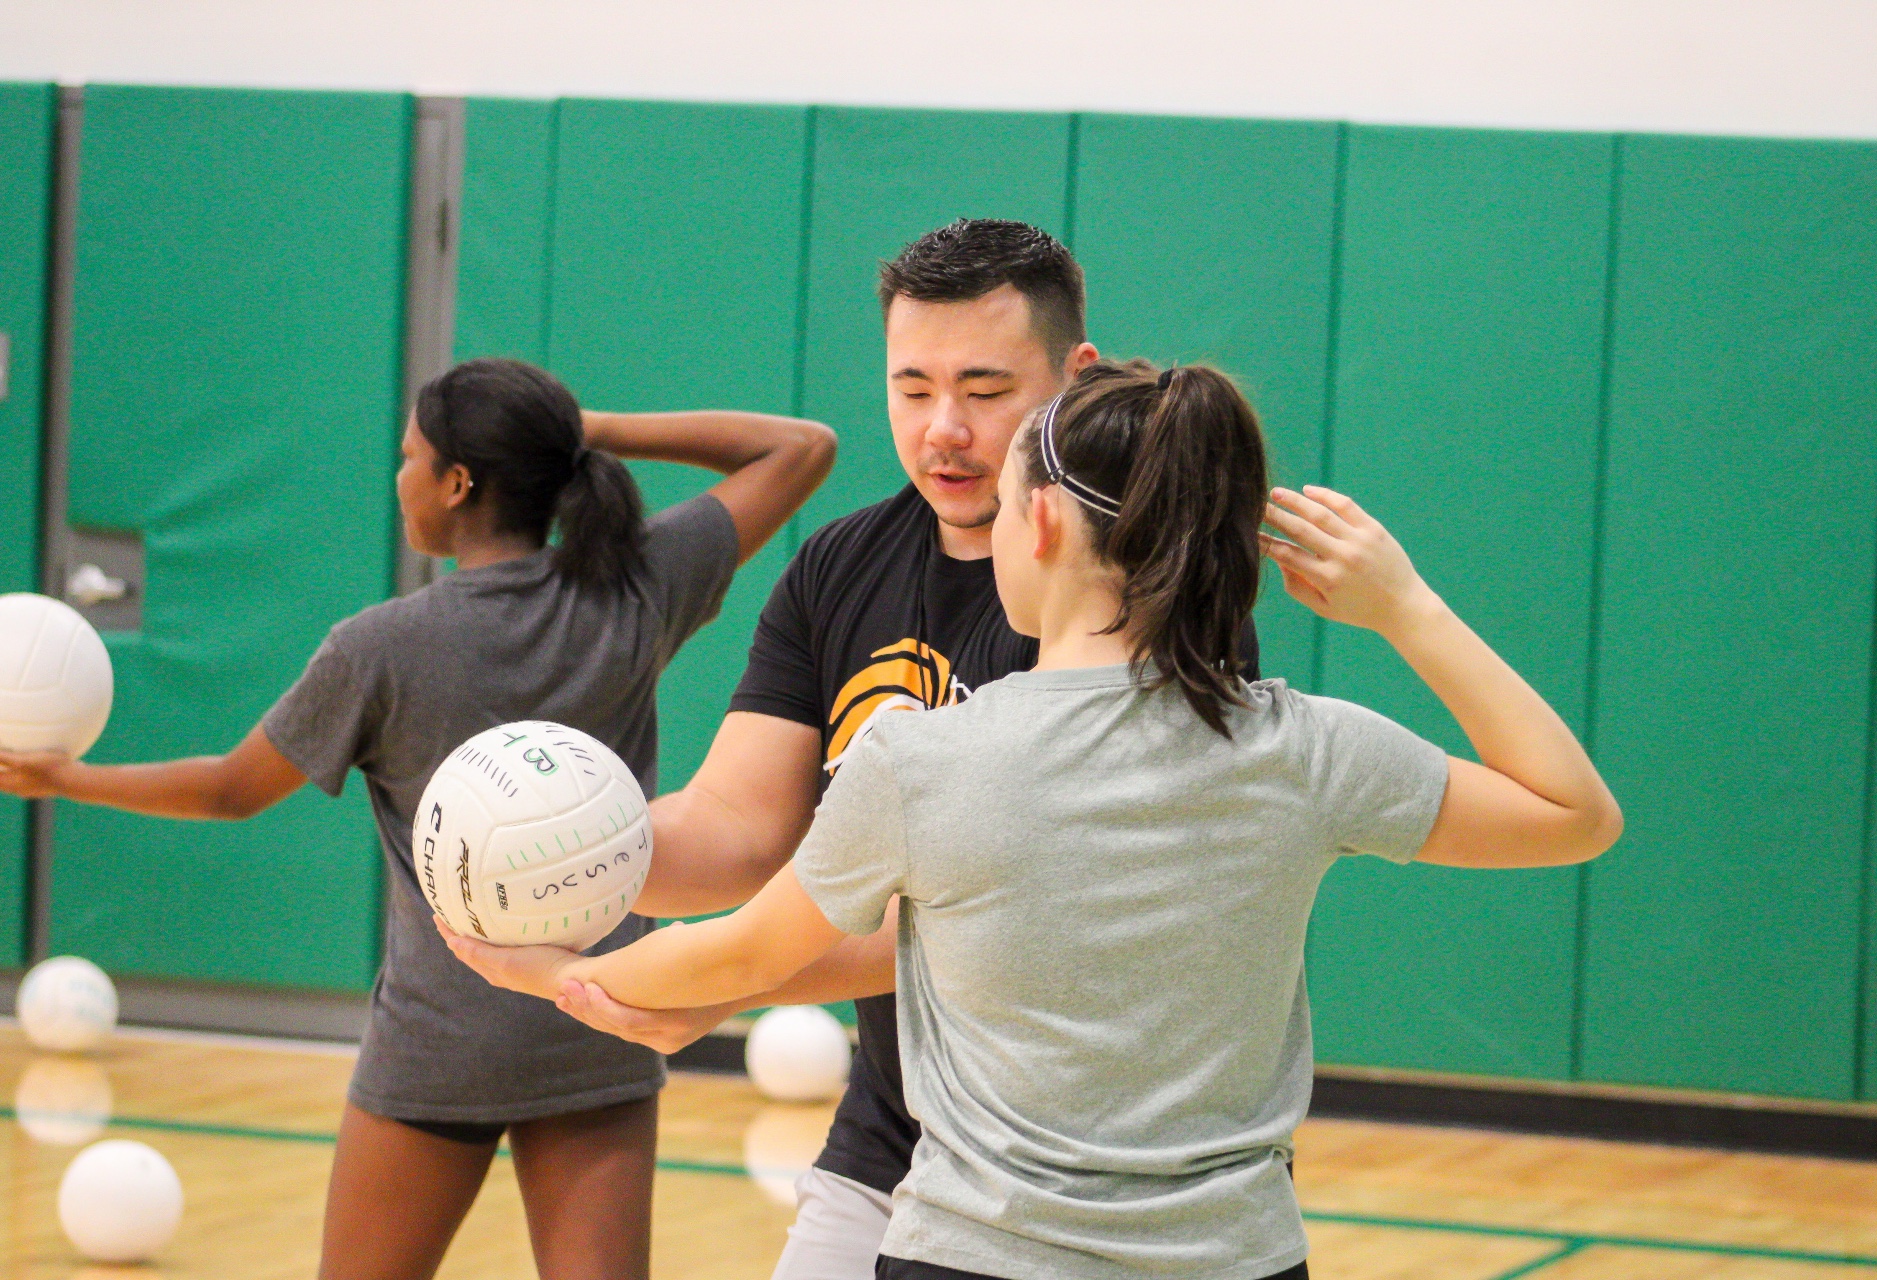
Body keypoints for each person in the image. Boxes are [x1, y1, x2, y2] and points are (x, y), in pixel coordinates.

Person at [444, 358, 1623, 1280]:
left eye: (1007, 505)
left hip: (975, 1256)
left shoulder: (922, 757)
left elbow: (743, 949)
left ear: (1044, 524)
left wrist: (547, 970)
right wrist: (1405, 607)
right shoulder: (1302, 745)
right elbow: (1576, 813)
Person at [0, 357, 836, 1280]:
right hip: (598, 1020)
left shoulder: (380, 648)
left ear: (456, 481)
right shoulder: (630, 589)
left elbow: (227, 791)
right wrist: (591, 428)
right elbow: (800, 448)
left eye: (409, 457)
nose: (399, 478)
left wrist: (66, 779)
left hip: (442, 1044)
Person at [550, 219, 1251, 1279]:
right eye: (913, 388)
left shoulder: (1155, 599)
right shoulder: (839, 565)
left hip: (1100, 1177)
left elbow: (1009, 906)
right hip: (894, 1136)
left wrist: (737, 974)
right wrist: (553, 853)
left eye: (983, 387)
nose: (944, 431)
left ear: (1078, 377)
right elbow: (738, 825)